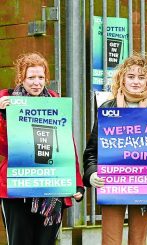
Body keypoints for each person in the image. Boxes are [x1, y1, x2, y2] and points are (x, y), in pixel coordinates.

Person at [83, 52, 147, 245]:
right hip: (112, 185)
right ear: (122, 78)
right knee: (110, 241)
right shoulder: (107, 109)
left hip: (144, 187)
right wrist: (92, 173)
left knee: (138, 241)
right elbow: (92, 152)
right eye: (131, 76)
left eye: (141, 77)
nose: (136, 82)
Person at [0, 52, 85, 245]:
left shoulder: (55, 103)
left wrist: (76, 182)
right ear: (21, 78)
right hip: (17, 189)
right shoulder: (7, 100)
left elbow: (66, 147)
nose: (36, 83)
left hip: (51, 190)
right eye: (31, 77)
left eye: (41, 77)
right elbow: (5, 148)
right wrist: (3, 117)